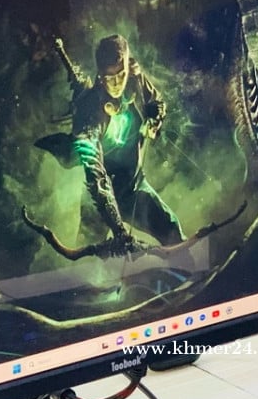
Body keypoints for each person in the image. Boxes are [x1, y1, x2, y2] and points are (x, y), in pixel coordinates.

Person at [39, 33, 183, 252]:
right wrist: (118, 228)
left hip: (134, 186)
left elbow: (157, 102)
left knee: (172, 230)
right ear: (100, 75)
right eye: (109, 78)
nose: (116, 83)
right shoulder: (90, 111)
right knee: (89, 253)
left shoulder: (135, 80)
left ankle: (191, 269)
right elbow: (95, 174)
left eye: (121, 75)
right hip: (100, 196)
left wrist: (154, 120)